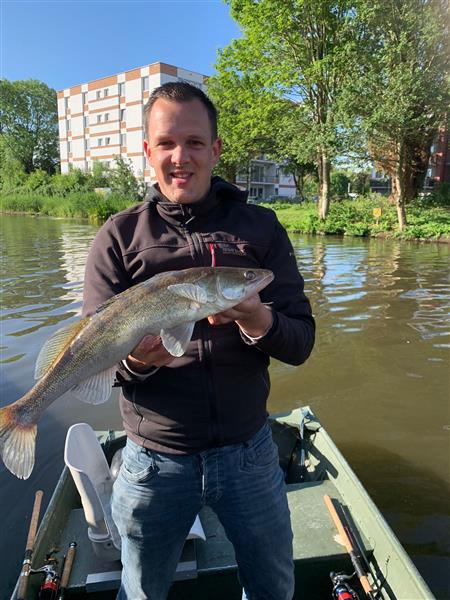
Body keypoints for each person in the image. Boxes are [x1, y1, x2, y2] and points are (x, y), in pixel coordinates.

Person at [82, 82, 315, 600]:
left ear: (216, 149)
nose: (180, 157)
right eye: (166, 143)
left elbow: (301, 343)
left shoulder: (260, 229)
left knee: (273, 587)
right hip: (153, 462)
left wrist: (259, 319)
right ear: (148, 151)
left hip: (250, 452)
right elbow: (95, 358)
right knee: (142, 591)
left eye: (193, 142)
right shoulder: (118, 237)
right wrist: (139, 363)